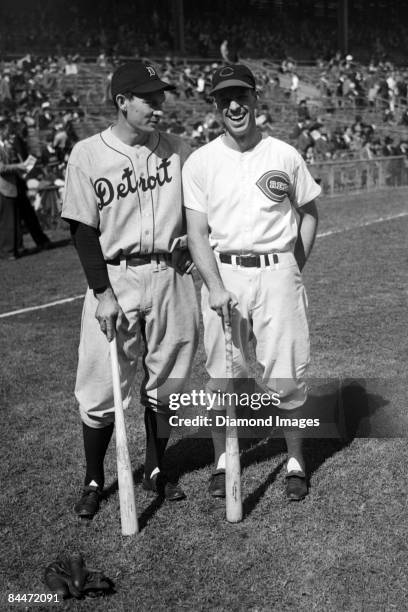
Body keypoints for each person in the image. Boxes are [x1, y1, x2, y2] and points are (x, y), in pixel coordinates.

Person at [61, 60, 199, 519]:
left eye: (161, 97)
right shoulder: (87, 153)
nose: (159, 105)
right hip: (114, 278)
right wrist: (101, 292)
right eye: (148, 98)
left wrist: (194, 240)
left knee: (168, 380)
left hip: (169, 276)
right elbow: (82, 229)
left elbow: (202, 213)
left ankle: (156, 469)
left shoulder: (180, 149)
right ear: (122, 102)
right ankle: (94, 478)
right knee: (101, 385)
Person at [183, 64, 321, 501]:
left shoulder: (284, 154)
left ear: (256, 98)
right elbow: (197, 233)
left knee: (287, 369)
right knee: (225, 374)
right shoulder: (201, 162)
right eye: (225, 98)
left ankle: (296, 462)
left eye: (241, 95)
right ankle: (226, 460)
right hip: (225, 277)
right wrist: (215, 284)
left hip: (278, 273)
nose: (235, 105)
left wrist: (292, 265)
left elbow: (310, 212)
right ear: (217, 106)